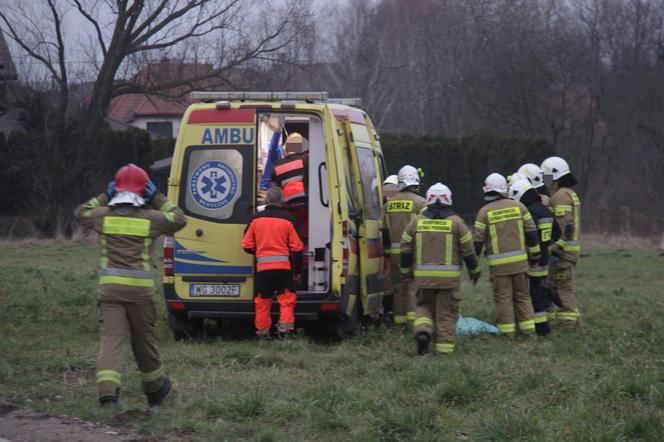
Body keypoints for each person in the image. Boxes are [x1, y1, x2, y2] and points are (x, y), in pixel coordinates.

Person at [74, 163, 187, 407]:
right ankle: (155, 389)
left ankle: (107, 395)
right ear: (142, 191)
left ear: (117, 190)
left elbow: (81, 212)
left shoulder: (102, 215)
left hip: (110, 291)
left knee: (111, 341)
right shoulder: (152, 219)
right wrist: (157, 198)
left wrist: (105, 195)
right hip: (140, 292)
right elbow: (179, 219)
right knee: (143, 341)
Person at [400, 183, 481, 354]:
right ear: (448, 200)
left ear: (428, 200)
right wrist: (475, 272)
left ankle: (423, 332)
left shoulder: (416, 222)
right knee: (445, 314)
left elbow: (405, 249)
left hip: (423, 280)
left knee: (423, 308)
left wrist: (406, 273)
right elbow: (469, 252)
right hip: (448, 282)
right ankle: (443, 352)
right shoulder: (458, 223)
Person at [473, 173, 541, 337]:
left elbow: (477, 243)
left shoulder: (484, 212)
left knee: (504, 299)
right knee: (523, 297)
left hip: (499, 267)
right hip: (520, 264)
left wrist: (473, 264)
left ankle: (507, 334)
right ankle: (528, 331)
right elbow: (532, 235)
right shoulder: (519, 207)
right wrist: (535, 257)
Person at [242, 187, 304, 337]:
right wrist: (297, 271)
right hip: (284, 269)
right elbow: (297, 248)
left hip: (263, 270)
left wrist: (259, 252)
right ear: (282, 201)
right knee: (287, 300)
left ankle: (263, 332)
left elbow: (246, 245)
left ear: (266, 201)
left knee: (263, 302)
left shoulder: (255, 220)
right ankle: (285, 331)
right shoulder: (289, 220)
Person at [509, 178, 561, 335]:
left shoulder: (529, 212)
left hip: (532, 260)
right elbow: (557, 234)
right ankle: (542, 324)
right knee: (539, 292)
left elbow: (526, 236)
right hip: (544, 259)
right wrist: (545, 243)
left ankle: (540, 327)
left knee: (533, 295)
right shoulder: (545, 210)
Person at [383, 165, 427, 325]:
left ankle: (399, 322)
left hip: (395, 255)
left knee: (398, 288)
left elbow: (384, 230)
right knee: (412, 288)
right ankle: (413, 322)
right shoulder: (421, 203)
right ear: (415, 183)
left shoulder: (389, 204)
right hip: (415, 253)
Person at [540, 156, 581, 327]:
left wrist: (556, 249)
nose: (544, 181)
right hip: (566, 251)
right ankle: (570, 320)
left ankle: (568, 324)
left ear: (554, 176)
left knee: (562, 287)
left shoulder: (561, 195)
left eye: (546, 177)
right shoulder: (568, 193)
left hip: (563, 253)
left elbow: (566, 225)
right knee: (555, 285)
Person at [271, 132, 309, 286]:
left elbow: (275, 189)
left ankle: (291, 271)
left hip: (288, 210)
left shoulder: (277, 166)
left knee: (289, 241)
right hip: (306, 207)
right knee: (305, 239)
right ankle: (304, 271)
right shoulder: (306, 160)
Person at [381, 174, 400, 315]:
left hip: (390, 253)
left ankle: (390, 311)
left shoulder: (386, 207)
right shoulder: (385, 207)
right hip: (389, 254)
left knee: (392, 285)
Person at [259, 115, 285, 191]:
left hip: (272, 188)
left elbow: (277, 133)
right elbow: (277, 134)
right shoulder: (276, 152)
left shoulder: (278, 153)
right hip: (267, 188)